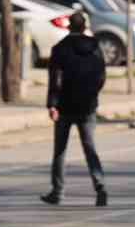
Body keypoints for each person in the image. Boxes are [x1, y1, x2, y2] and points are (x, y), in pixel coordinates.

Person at [42, 12, 108, 206]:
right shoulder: (95, 47)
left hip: (65, 106)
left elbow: (55, 79)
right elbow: (101, 75)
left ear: (69, 27)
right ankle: (100, 186)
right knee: (90, 148)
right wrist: (93, 95)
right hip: (88, 106)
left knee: (60, 151)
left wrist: (52, 105)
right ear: (84, 26)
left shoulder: (60, 48)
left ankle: (58, 191)